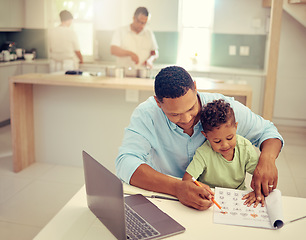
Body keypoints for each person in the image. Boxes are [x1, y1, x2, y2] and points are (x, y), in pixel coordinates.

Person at [115, 66, 283, 210]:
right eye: (175, 114)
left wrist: (267, 159)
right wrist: (177, 188)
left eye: (191, 108)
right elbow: (126, 162)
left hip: (216, 202)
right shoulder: (147, 114)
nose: (187, 119)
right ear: (158, 103)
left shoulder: (221, 108)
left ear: (195, 88)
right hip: (165, 197)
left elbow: (268, 132)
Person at [183, 99, 264, 207]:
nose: (225, 145)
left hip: (238, 197)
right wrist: (199, 189)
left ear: (235, 127)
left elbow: (260, 175)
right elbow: (187, 180)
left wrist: (258, 192)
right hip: (211, 198)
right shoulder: (203, 153)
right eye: (217, 141)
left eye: (230, 138)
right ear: (206, 136)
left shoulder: (245, 147)